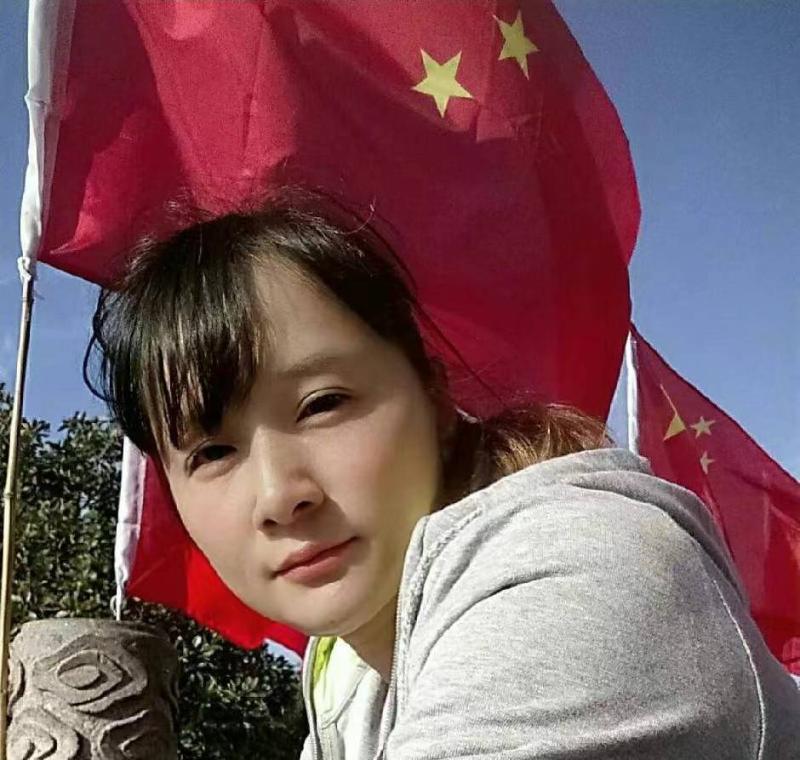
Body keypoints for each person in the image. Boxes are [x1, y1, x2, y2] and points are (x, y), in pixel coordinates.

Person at [86, 199, 800, 759]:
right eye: (212, 453)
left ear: (432, 396)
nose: (279, 495)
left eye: (323, 404)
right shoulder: (347, 670)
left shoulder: (579, 566)